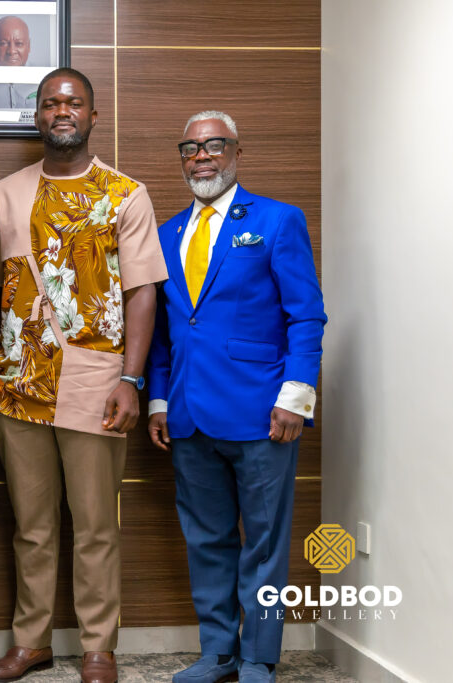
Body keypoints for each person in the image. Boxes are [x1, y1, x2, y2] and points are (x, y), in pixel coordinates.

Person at [0, 68, 168, 683]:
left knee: (95, 526)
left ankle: (98, 648)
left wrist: (131, 380)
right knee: (31, 527)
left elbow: (142, 292)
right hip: (18, 383)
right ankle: (30, 642)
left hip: (97, 383)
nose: (62, 111)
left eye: (74, 102)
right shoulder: (5, 193)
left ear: (92, 115)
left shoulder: (126, 194)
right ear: (37, 115)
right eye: (51, 103)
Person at [146, 111, 326, 683]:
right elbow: (164, 332)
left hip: (262, 412)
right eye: (190, 147)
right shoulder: (166, 234)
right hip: (188, 414)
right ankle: (218, 652)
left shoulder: (277, 220)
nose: (201, 156)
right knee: (206, 539)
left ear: (236, 152)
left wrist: (296, 397)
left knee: (265, 544)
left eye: (214, 145)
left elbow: (306, 315)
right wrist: (158, 401)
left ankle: (258, 657)